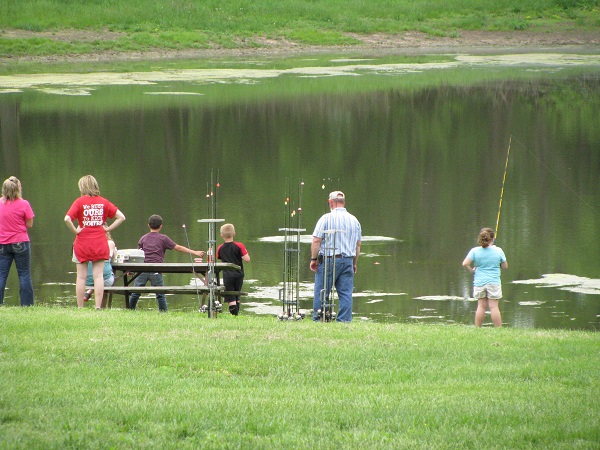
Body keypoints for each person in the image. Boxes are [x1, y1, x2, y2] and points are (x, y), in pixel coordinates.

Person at [64, 175, 126, 309]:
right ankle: (98, 307)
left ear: (82, 187)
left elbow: (67, 218)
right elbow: (121, 217)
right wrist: (107, 228)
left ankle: (80, 307)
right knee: (98, 277)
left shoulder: (79, 202)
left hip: (82, 243)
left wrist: (76, 231)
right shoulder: (103, 202)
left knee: (81, 277)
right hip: (99, 242)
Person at [128, 214, 204, 312]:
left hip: (142, 269)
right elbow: (178, 247)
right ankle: (163, 312)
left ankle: (130, 310)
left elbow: (138, 255)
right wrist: (194, 252)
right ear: (161, 226)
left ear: (148, 225)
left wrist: (131, 269)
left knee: (135, 292)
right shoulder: (164, 238)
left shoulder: (143, 238)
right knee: (160, 294)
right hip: (156, 269)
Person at [310, 191, 362, 322]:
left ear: (331, 202)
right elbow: (358, 245)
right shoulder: (354, 220)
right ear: (344, 203)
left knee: (322, 291)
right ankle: (344, 321)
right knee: (345, 294)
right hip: (348, 260)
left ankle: (319, 318)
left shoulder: (326, 218)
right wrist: (354, 263)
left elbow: (316, 240)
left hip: (329, 260)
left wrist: (313, 259)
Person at [462, 227, 508, 327]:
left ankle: (478, 329)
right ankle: (499, 329)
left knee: (481, 306)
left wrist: (472, 271)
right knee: (494, 307)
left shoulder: (474, 251)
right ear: (493, 238)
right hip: (494, 282)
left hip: (479, 282)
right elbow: (505, 266)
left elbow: (465, 264)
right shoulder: (498, 250)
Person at [0, 176, 35, 306]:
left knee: (1, 274)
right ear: (18, 189)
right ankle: (26, 305)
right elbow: (30, 224)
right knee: (24, 274)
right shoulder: (23, 203)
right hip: (20, 242)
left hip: (2, 243)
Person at [216, 223, 250, 316]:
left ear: (222, 235)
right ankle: (236, 315)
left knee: (230, 296)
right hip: (239, 274)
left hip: (227, 275)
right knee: (237, 294)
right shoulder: (239, 245)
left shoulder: (220, 247)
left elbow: (218, 257)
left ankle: (234, 315)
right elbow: (247, 259)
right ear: (234, 234)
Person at [83, 229, 116, 303]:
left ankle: (89, 292)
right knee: (107, 277)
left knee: (98, 277)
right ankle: (100, 306)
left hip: (88, 280)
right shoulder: (109, 243)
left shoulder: (87, 243)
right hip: (105, 280)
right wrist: (115, 252)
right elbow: (110, 258)